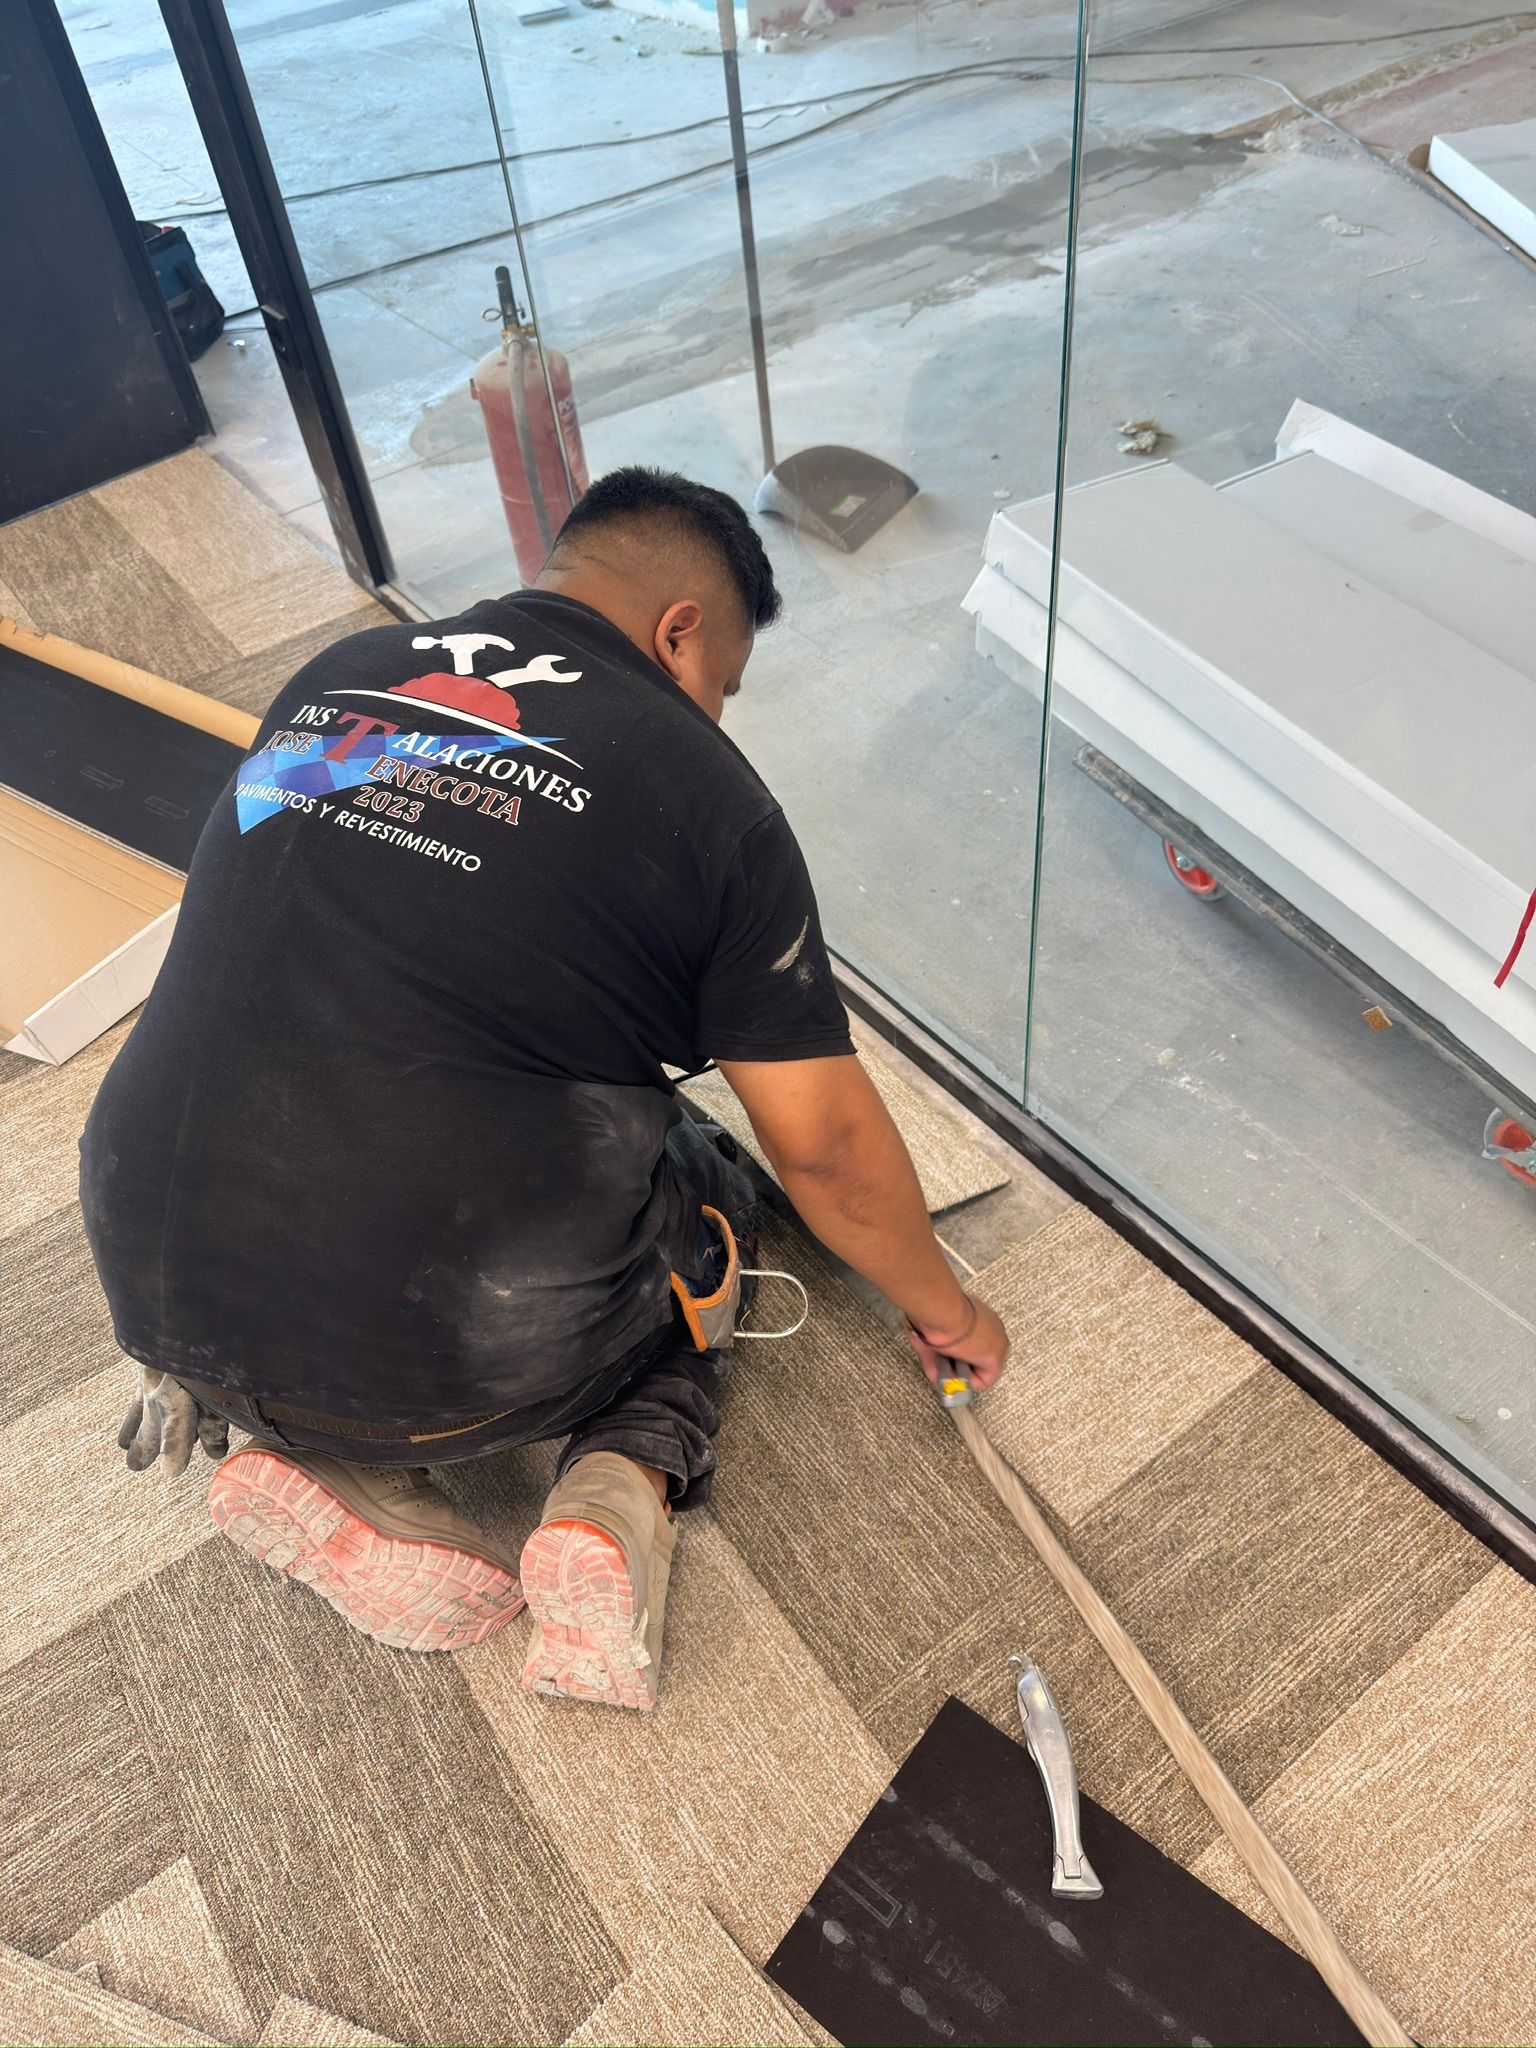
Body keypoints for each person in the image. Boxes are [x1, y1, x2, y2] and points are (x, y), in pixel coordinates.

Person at [80, 467, 1009, 1711]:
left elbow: (304, 923)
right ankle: (617, 1486)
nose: (714, 715)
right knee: (711, 1178)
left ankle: (300, 1431)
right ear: (680, 630)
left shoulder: (341, 676)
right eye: (722, 683)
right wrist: (949, 1309)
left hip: (143, 1237)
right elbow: (827, 1147)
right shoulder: (706, 793)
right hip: (465, 1331)